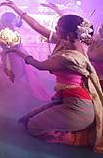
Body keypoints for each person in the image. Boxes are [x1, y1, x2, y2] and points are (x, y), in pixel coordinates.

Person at [6, 15, 103, 151]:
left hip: (79, 108)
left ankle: (78, 138)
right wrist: (18, 10)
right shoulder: (70, 43)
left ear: (69, 34)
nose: (56, 28)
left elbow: (39, 65)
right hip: (71, 100)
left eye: (59, 27)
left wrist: (19, 52)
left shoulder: (69, 57)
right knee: (26, 120)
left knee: (33, 126)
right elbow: (38, 27)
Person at [0, 2, 50, 101]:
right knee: (9, 77)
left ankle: (15, 100)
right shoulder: (5, 29)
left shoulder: (11, 34)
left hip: (14, 60)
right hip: (11, 58)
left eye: (1, 21)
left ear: (7, 22)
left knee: (13, 78)